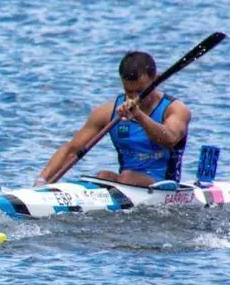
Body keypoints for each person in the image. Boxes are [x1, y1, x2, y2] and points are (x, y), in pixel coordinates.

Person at [36, 51, 190, 187]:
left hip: (165, 185)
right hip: (127, 182)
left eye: (140, 91)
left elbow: (169, 138)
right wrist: (42, 181)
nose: (134, 97)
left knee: (127, 176)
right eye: (129, 91)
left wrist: (139, 116)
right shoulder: (107, 112)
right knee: (102, 176)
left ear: (156, 79)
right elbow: (71, 150)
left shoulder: (175, 110)